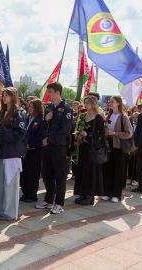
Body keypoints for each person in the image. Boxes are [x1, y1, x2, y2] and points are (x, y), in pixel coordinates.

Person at [0, 87, 26, 221]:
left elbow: (20, 134)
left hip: (11, 154)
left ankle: (10, 213)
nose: (4, 98)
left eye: (7, 95)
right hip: (0, 152)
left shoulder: (19, 113)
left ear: (13, 97)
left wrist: (1, 129)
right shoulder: (2, 112)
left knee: (10, 185)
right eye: (3, 95)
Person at [36, 82, 73, 214]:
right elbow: (43, 126)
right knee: (46, 173)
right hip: (47, 146)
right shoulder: (50, 107)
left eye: (50, 92)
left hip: (59, 146)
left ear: (58, 92)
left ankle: (59, 203)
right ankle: (49, 199)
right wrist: (46, 119)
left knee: (60, 175)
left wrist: (49, 139)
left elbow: (66, 130)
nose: (48, 94)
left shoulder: (66, 109)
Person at [74, 96, 106, 205]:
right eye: (85, 103)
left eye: (87, 103)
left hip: (92, 148)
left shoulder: (98, 117)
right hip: (83, 147)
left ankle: (89, 196)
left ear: (93, 104)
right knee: (82, 170)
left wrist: (88, 134)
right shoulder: (82, 116)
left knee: (90, 172)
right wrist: (78, 135)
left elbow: (101, 135)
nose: (85, 105)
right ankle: (82, 194)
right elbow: (77, 129)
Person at [102, 96, 133, 202]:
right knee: (107, 169)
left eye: (112, 101)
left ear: (118, 103)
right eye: (109, 101)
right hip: (108, 145)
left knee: (118, 170)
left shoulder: (123, 117)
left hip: (118, 147)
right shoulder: (108, 116)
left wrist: (114, 133)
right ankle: (107, 192)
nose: (110, 103)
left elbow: (129, 133)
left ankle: (116, 194)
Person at [20, 98, 46, 203]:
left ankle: (31, 195)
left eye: (31, 107)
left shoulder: (41, 120)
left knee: (32, 174)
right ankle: (25, 193)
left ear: (37, 108)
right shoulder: (26, 119)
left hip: (34, 151)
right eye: (29, 106)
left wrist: (30, 144)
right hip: (24, 151)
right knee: (24, 173)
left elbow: (41, 137)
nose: (29, 108)